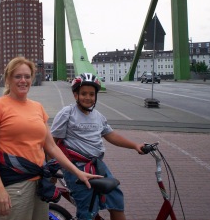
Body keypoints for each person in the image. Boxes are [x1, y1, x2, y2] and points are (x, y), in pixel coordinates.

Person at [0, 57, 101, 220]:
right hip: (14, 183)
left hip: (40, 183)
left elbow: (51, 147)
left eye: (27, 76)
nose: (23, 80)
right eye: (18, 76)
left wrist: (77, 172)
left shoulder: (37, 107)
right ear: (8, 78)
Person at [50, 73, 145, 220]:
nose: (88, 97)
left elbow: (110, 135)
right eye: (83, 94)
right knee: (87, 210)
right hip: (76, 167)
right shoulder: (67, 113)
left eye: (91, 94)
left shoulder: (98, 116)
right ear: (75, 95)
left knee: (116, 201)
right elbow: (52, 142)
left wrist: (135, 145)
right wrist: (49, 170)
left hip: (98, 165)